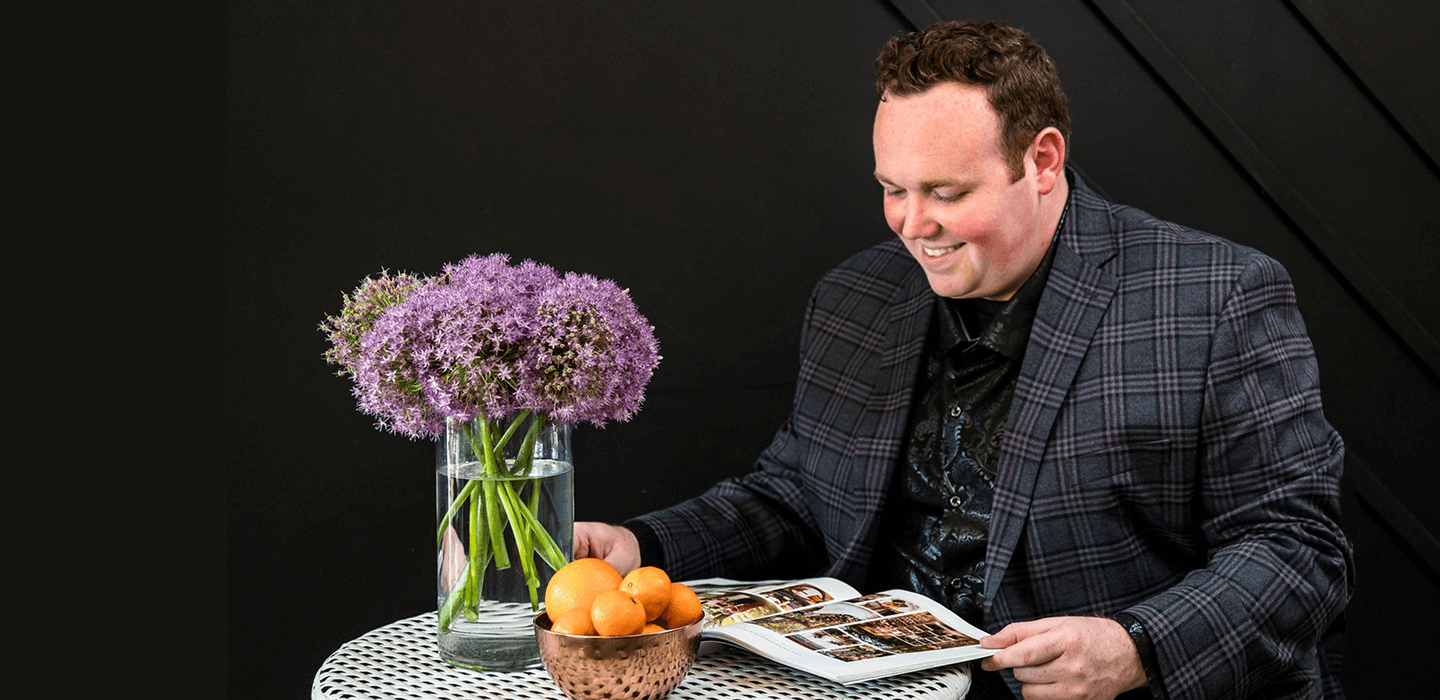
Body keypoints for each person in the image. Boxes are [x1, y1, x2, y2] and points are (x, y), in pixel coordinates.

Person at [577, 20, 1351, 699]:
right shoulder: (855, 296)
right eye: (892, 189)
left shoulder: (1217, 297)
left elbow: (1298, 551)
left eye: (946, 192)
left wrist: (1134, 646)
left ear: (1042, 160)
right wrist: (641, 545)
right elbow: (795, 496)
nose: (914, 227)